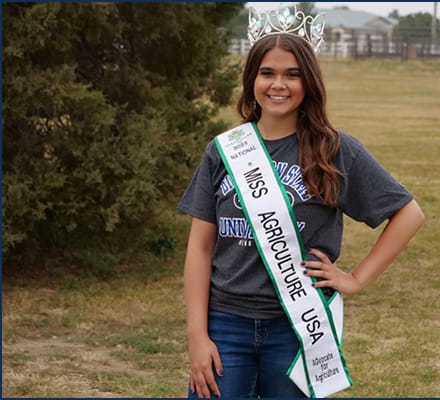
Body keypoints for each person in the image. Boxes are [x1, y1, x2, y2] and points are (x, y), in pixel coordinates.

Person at [178, 9, 425, 398]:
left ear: (308, 82)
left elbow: (409, 213)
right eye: (267, 73)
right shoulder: (224, 150)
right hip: (225, 322)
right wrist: (197, 335)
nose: (279, 84)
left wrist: (356, 279)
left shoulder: (334, 150)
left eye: (292, 74)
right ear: (251, 80)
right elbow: (200, 246)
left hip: (297, 326)